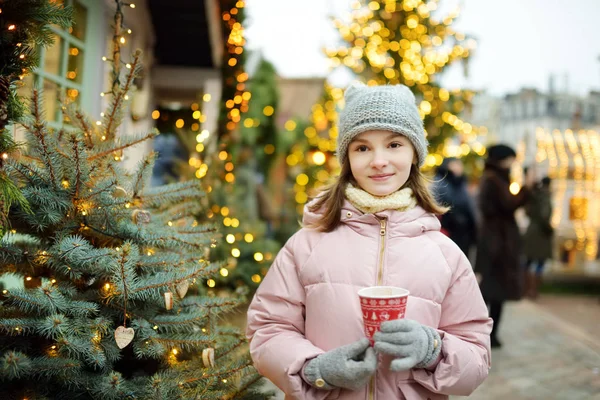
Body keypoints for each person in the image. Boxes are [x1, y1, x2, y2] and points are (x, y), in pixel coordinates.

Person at [247, 82, 492, 400]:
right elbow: (268, 328)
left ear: (414, 153)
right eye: (362, 148)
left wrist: (434, 351)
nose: (378, 160)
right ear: (347, 158)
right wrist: (314, 369)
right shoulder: (306, 246)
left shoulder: (445, 255)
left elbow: (476, 357)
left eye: (394, 145)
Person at [474, 144, 534, 348]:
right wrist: (527, 187)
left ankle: (491, 334)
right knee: (493, 292)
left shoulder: (495, 178)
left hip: (497, 243)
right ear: (502, 159)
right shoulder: (493, 179)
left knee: (494, 292)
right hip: (496, 245)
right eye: (510, 158)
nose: (512, 163)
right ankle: (488, 334)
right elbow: (509, 204)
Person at [433, 157, 477, 257]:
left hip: (464, 231)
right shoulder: (440, 182)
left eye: (459, 165)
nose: (459, 168)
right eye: (455, 164)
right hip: (448, 229)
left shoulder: (462, 183)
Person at [523, 176, 554, 299]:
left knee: (528, 261)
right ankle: (533, 290)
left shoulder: (534, 195)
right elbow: (544, 215)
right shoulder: (545, 196)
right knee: (540, 263)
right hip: (541, 234)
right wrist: (549, 229)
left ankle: (525, 288)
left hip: (531, 231)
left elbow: (527, 211)